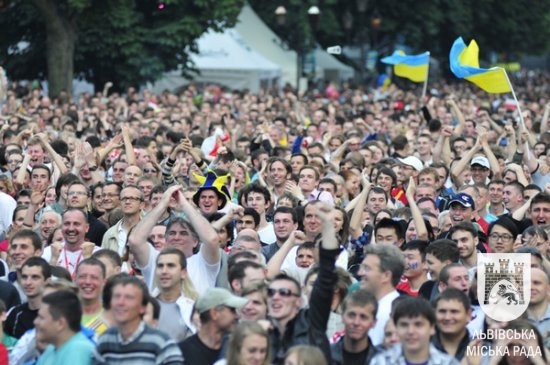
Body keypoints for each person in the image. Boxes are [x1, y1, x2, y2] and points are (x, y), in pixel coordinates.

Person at [267, 204, 339, 365]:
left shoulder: (312, 321)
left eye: (284, 292)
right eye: (271, 293)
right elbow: (268, 275)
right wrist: (290, 242)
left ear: (299, 301)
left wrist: (328, 227)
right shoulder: (266, 333)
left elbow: (327, 274)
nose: (276, 297)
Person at [94, 274, 184, 364]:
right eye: (117, 296)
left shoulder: (162, 344)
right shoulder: (104, 341)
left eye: (129, 297)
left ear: (143, 307)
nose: (120, 302)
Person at [371, 296, 459, 364]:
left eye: (418, 325)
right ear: (396, 328)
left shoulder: (448, 363)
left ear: (432, 328)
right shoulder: (380, 362)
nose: (410, 331)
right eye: (404, 325)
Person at [178, 287, 247, 365]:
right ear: (214, 313)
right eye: (232, 310)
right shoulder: (182, 353)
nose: (237, 316)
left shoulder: (236, 349)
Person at [358, 244, 405, 346]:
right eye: (361, 267)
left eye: (366, 268)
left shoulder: (386, 313)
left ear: (386, 276)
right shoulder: (380, 307)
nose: (360, 273)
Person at [35, 290, 95, 365]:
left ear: (60, 324)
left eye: (41, 318)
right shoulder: (51, 349)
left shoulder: (78, 350)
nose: (35, 322)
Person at [5, 257, 51, 339]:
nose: (28, 282)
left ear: (47, 281)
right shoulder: (15, 314)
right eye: (24, 277)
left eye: (35, 277)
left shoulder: (57, 314)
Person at [330, 289, 380, 365]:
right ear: (342, 317)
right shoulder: (326, 356)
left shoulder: (382, 360)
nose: (356, 322)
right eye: (351, 315)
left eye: (363, 317)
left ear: (373, 322)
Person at [432, 288, 472, 361]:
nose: (447, 317)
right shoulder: (420, 349)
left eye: (454, 312)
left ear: (468, 315)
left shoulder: (483, 350)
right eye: (442, 311)